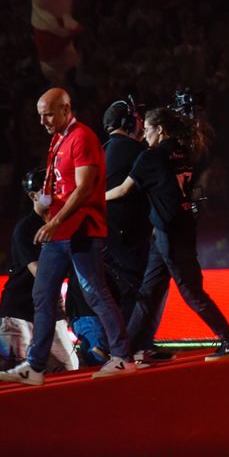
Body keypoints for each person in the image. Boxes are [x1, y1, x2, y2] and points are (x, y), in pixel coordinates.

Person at [0, 88, 134, 386]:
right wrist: (45, 207)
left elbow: (84, 188)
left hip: (81, 230)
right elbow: (59, 185)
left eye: (47, 114)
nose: (42, 120)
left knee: (95, 292)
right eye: (40, 114)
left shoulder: (82, 138)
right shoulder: (59, 139)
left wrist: (54, 221)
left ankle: (123, 356)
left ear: (66, 109)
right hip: (61, 233)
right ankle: (35, 365)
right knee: (42, 294)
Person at [105, 106, 229, 361]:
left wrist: (94, 199)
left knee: (190, 291)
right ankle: (123, 351)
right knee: (148, 292)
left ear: (160, 130)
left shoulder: (151, 157)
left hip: (170, 232)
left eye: (147, 130)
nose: (144, 136)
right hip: (173, 229)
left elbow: (124, 190)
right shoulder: (183, 153)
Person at [0, 168, 78, 374]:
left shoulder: (62, 223)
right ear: (33, 195)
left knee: (70, 370)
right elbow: (40, 272)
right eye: (51, 189)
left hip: (48, 313)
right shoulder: (26, 229)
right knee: (11, 379)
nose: (58, 193)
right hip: (18, 314)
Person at [100, 99, 152, 324]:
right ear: (128, 122)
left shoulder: (104, 149)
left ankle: (128, 344)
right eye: (139, 121)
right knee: (136, 288)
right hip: (126, 235)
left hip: (108, 233)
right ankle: (131, 345)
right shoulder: (134, 149)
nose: (142, 127)